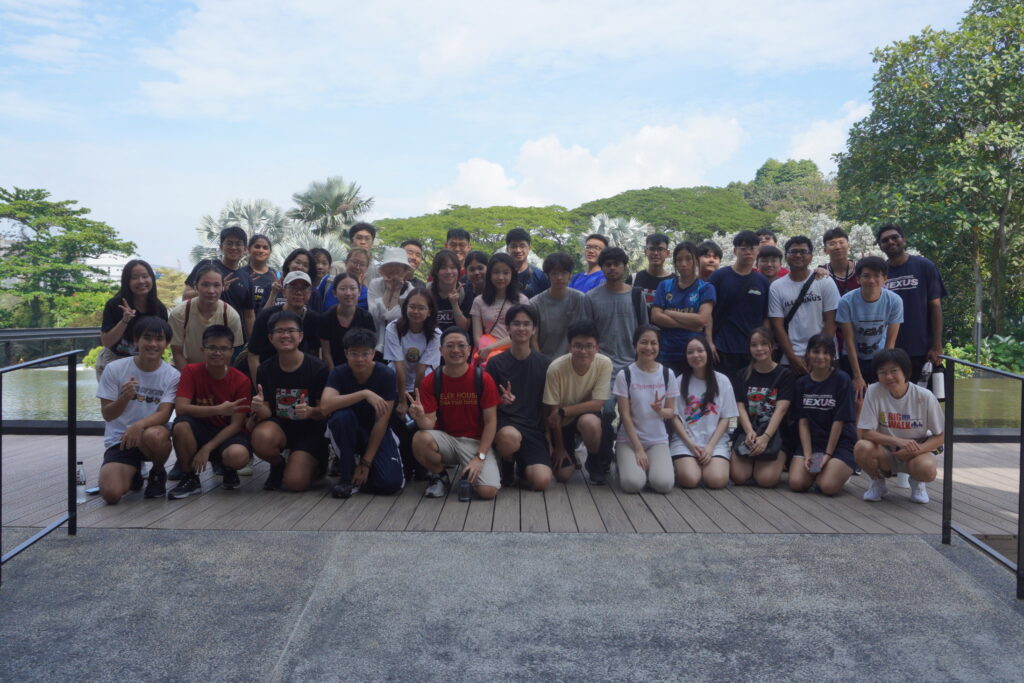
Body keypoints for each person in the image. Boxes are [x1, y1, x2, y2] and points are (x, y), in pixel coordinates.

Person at [407, 327, 502, 500]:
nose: (456, 350)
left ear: (469, 350)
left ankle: (480, 467)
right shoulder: (432, 380)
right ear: (441, 351)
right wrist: (420, 416)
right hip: (447, 440)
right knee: (420, 438)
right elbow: (428, 425)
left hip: (475, 442)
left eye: (461, 345)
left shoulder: (482, 378)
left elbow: (491, 422)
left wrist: (480, 457)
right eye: (450, 346)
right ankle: (440, 476)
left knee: (488, 492)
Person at [96, 317, 179, 504]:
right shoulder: (114, 369)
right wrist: (124, 397)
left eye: (159, 339)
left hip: (149, 438)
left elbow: (165, 413)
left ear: (166, 344)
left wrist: (138, 426)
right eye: (147, 338)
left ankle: (157, 473)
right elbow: (107, 414)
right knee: (111, 494)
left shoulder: (172, 375)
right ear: (136, 340)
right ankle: (133, 473)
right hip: (120, 440)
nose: (152, 344)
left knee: (156, 435)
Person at [167, 325, 253, 498]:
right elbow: (181, 408)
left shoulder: (242, 380)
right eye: (212, 348)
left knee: (238, 455)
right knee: (181, 426)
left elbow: (237, 425)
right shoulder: (191, 371)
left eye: (223, 349)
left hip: (227, 434)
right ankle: (189, 477)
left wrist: (207, 448)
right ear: (202, 349)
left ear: (232, 351)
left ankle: (228, 469)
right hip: (198, 430)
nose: (217, 353)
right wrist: (218, 409)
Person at [587, 246, 649, 484]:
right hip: (602, 368)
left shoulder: (636, 295)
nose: (612, 268)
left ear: (625, 266)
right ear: (601, 267)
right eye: (607, 264)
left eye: (616, 263)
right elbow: (587, 335)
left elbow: (645, 331)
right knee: (603, 414)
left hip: (632, 368)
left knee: (633, 416)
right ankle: (599, 461)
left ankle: (630, 458)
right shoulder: (591, 297)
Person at [250, 311, 330, 492]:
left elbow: (324, 411)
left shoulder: (318, 368)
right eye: (279, 331)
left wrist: (310, 411)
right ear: (271, 337)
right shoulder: (265, 369)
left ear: (300, 336)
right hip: (281, 428)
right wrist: (258, 406)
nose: (285, 335)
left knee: (295, 483)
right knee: (261, 437)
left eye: (291, 330)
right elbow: (267, 412)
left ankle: (316, 464)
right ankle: (278, 464)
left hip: (310, 432)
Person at [322, 327, 405, 499]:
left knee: (390, 484)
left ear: (373, 353)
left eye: (365, 353)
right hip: (347, 432)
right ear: (346, 353)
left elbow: (381, 422)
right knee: (342, 417)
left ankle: (362, 471)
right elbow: (325, 406)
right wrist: (364, 394)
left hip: (375, 432)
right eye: (354, 353)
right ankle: (345, 478)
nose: (360, 359)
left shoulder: (386, 374)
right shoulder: (339, 372)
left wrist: (366, 463)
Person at [485, 304, 561, 490]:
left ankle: (523, 467)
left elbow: (548, 405)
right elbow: (487, 406)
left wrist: (549, 439)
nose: (521, 328)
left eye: (526, 324)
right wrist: (501, 402)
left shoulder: (544, 363)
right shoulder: (495, 363)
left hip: (533, 429)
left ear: (534, 329)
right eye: (516, 324)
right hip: (506, 426)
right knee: (509, 438)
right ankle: (508, 464)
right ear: (508, 328)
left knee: (542, 481)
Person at [854, 348, 944, 504]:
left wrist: (913, 450)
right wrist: (898, 442)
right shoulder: (874, 391)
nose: (889, 376)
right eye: (882, 372)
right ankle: (877, 482)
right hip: (886, 451)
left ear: (905, 371)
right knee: (862, 447)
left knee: (927, 470)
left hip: (916, 452)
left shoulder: (924, 396)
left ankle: (917, 483)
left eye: (894, 371)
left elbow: (942, 435)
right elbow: (865, 433)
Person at [543, 319, 611, 484]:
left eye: (589, 346)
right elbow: (553, 413)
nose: (583, 351)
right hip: (561, 422)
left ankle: (593, 460)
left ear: (597, 347)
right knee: (563, 475)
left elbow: (598, 403)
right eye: (578, 345)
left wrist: (564, 411)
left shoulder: (604, 363)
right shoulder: (556, 368)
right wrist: (559, 448)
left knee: (590, 422)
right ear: (570, 347)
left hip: (584, 416)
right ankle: (569, 452)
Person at [877, 224, 947, 382]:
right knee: (891, 401)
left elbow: (935, 306)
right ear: (880, 246)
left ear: (904, 240)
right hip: (889, 350)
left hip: (920, 348)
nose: (891, 242)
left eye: (895, 237)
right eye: (885, 240)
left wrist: (936, 345)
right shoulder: (879, 274)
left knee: (921, 400)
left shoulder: (925, 266)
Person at [613, 325, 678, 494]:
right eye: (643, 342)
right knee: (632, 484)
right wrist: (638, 449)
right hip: (629, 441)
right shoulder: (625, 374)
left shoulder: (667, 373)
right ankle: (624, 464)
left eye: (653, 343)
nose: (649, 348)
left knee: (663, 484)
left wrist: (660, 411)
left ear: (659, 346)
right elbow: (625, 416)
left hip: (657, 440)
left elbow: (671, 412)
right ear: (635, 345)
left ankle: (649, 468)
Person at [789, 334, 857, 496]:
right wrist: (807, 454)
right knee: (797, 483)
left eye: (826, 353)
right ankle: (824, 469)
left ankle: (836, 470)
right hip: (814, 444)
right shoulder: (802, 383)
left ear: (832, 356)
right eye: (816, 352)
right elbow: (803, 421)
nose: (820, 357)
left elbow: (839, 421)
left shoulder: (842, 379)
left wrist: (828, 454)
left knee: (826, 486)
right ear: (808, 354)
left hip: (839, 443)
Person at [385, 288, 442, 478]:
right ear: (405, 308)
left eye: (421, 308)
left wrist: (416, 400)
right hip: (395, 383)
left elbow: (421, 369)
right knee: (398, 421)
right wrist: (402, 400)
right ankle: (403, 465)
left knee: (420, 420)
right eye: (412, 307)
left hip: (422, 385)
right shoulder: (393, 328)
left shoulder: (435, 333)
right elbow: (398, 365)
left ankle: (421, 465)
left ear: (429, 311)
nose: (416, 312)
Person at [730, 327, 794, 488]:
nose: (759, 349)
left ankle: (773, 461)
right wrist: (749, 431)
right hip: (748, 432)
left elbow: (781, 410)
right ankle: (754, 462)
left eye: (764, 344)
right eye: (754, 345)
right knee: (739, 476)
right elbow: (740, 407)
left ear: (772, 346)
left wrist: (765, 437)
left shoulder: (784, 375)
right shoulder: (742, 374)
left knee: (766, 480)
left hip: (774, 434)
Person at [670, 337, 737, 489]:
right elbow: (674, 418)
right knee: (689, 479)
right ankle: (687, 467)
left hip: (715, 442)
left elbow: (728, 418)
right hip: (686, 442)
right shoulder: (679, 381)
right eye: (690, 352)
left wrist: (710, 447)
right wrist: (691, 445)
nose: (696, 355)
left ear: (708, 352)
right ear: (685, 357)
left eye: (700, 351)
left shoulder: (723, 381)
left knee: (716, 480)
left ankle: (708, 467)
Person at [768, 236, 840, 377]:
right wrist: (792, 357)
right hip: (791, 359)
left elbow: (831, 321)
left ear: (811, 256)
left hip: (825, 357)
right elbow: (778, 326)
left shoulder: (825, 281)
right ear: (786, 256)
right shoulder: (776, 287)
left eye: (803, 251)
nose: (798, 255)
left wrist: (818, 355)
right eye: (793, 251)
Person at [837, 256, 903, 400]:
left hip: (879, 356)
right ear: (858, 279)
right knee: (856, 399)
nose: (872, 280)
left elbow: (890, 343)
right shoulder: (846, 302)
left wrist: (886, 372)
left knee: (881, 399)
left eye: (877, 276)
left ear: (884, 278)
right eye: (866, 276)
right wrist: (857, 376)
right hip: (852, 357)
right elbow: (849, 341)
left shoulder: (894, 301)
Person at [708, 231, 770, 380]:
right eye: (743, 248)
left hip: (752, 350)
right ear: (735, 251)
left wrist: (765, 345)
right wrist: (709, 342)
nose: (748, 252)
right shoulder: (719, 277)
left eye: (752, 248)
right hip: (722, 348)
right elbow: (707, 313)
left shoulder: (763, 282)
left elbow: (766, 317)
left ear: (758, 251)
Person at [651, 241, 716, 376]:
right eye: (679, 260)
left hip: (695, 352)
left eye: (688, 258)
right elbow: (656, 316)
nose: (683, 263)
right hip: (667, 351)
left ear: (696, 261)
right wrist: (690, 325)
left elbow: (702, 319)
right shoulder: (665, 286)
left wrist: (668, 312)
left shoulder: (705, 288)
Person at [96, 259, 169, 379]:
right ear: (127, 282)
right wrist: (125, 320)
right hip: (115, 359)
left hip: (146, 362)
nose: (141, 281)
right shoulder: (115, 305)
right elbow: (107, 342)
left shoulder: (159, 308)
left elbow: (163, 342)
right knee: (116, 398)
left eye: (145, 276)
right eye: (134, 277)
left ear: (152, 278)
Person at [169, 263, 244, 370]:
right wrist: (190, 378)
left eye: (216, 285)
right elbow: (177, 353)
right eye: (205, 284)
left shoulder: (230, 315)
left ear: (223, 287)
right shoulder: (180, 313)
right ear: (196, 286)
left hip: (217, 370)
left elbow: (232, 353)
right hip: (183, 368)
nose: (211, 291)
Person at [183, 227, 255, 338]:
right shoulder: (206, 265)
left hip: (233, 339)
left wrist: (252, 345)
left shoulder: (246, 277)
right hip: (201, 334)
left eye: (238, 244)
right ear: (221, 246)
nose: (234, 247)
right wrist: (216, 289)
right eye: (229, 243)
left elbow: (249, 316)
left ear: (245, 249)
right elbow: (186, 296)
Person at [248, 271, 321, 380]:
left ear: (310, 293)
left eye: (304, 288)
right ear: (284, 291)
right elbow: (253, 355)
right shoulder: (266, 316)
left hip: (301, 378)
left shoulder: (314, 319)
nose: (299, 293)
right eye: (293, 287)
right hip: (269, 376)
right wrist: (259, 388)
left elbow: (316, 353)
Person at [530, 252, 591, 359]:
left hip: (573, 360)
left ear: (570, 275)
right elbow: (532, 337)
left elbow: (585, 332)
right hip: (543, 360)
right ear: (547, 275)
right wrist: (540, 362)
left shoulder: (580, 299)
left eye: (564, 273)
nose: (559, 277)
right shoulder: (535, 303)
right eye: (554, 273)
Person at [471, 253, 530, 363]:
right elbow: (477, 337)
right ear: (489, 275)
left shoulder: (522, 301)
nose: (501, 277)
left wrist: (491, 348)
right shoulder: (479, 301)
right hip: (488, 359)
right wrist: (486, 350)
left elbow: (522, 334)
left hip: (515, 357)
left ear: (512, 274)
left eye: (506, 272)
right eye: (496, 272)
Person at [319, 272, 376, 371]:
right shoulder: (326, 318)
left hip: (360, 367)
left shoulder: (366, 317)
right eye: (343, 289)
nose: (348, 293)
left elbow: (370, 348)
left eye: (353, 288)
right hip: (335, 369)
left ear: (359, 292)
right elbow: (326, 352)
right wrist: (334, 374)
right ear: (335, 293)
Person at [367, 247, 413, 354]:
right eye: (390, 264)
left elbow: (392, 318)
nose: (394, 268)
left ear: (405, 269)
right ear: (383, 269)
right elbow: (375, 315)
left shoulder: (411, 291)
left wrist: (396, 290)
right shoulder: (375, 284)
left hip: (400, 344)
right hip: (375, 343)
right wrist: (389, 289)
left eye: (398, 265)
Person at [428, 249, 473, 332]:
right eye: (443, 268)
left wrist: (455, 304)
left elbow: (464, 328)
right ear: (436, 271)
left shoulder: (465, 292)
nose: (449, 272)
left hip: (456, 340)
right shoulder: (427, 292)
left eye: (453, 267)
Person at [632, 233, 673, 313]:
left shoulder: (675, 281)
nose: (656, 253)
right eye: (652, 249)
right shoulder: (633, 279)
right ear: (645, 251)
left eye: (660, 249)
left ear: (667, 253)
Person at [505, 227, 549, 298]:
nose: (518, 250)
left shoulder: (539, 276)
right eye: (514, 246)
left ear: (529, 248)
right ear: (507, 249)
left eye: (522, 246)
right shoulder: (501, 276)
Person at [818, 228, 859, 296]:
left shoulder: (860, 269)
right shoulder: (821, 273)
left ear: (849, 246)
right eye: (832, 244)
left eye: (841, 242)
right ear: (825, 250)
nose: (838, 247)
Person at [243, 234, 278, 313]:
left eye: (265, 248)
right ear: (249, 249)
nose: (261, 250)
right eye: (257, 247)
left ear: (270, 252)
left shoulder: (276, 276)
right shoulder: (241, 274)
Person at [310, 247, 337, 312]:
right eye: (316, 262)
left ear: (329, 267)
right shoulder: (302, 282)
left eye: (324, 264)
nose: (320, 267)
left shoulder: (332, 284)